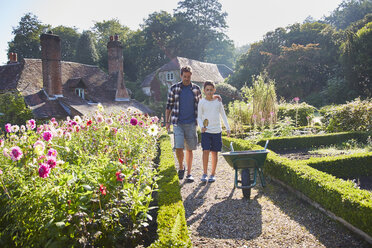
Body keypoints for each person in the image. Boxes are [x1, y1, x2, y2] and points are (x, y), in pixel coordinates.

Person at [165, 66, 201, 182]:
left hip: (191, 123)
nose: (186, 79)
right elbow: (169, 106)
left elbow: (203, 105)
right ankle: (181, 167)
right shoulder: (174, 88)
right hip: (178, 123)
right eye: (184, 76)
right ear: (181, 76)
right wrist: (167, 122)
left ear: (191, 76)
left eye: (189, 77)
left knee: (190, 149)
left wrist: (216, 98)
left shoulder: (196, 89)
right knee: (179, 147)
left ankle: (189, 173)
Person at [197, 80, 230, 183]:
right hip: (206, 132)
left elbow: (223, 115)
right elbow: (198, 117)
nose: (209, 92)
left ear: (214, 90)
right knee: (205, 151)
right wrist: (202, 126)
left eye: (211, 90)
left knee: (214, 153)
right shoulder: (201, 102)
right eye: (207, 90)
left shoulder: (218, 101)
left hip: (217, 131)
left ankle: (212, 174)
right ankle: (205, 173)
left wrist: (228, 128)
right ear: (204, 91)